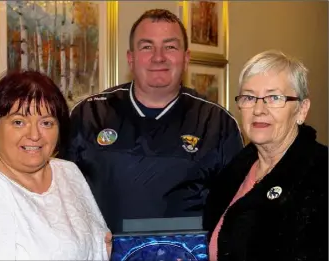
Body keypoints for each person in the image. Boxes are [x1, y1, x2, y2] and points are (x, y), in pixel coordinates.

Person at [59, 9, 244, 233]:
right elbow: (61, 199)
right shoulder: (88, 115)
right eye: (147, 46)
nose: (159, 57)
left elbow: (235, 214)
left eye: (170, 47)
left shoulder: (217, 123)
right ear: (131, 58)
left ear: (186, 59)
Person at [0, 71, 111, 260]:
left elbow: (96, 244)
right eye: (19, 122)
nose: (35, 135)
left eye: (46, 123)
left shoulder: (68, 171)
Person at [203, 50, 328, 261]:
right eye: (249, 97)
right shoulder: (232, 173)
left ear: (301, 110)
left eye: (274, 97)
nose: (259, 109)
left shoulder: (321, 173)